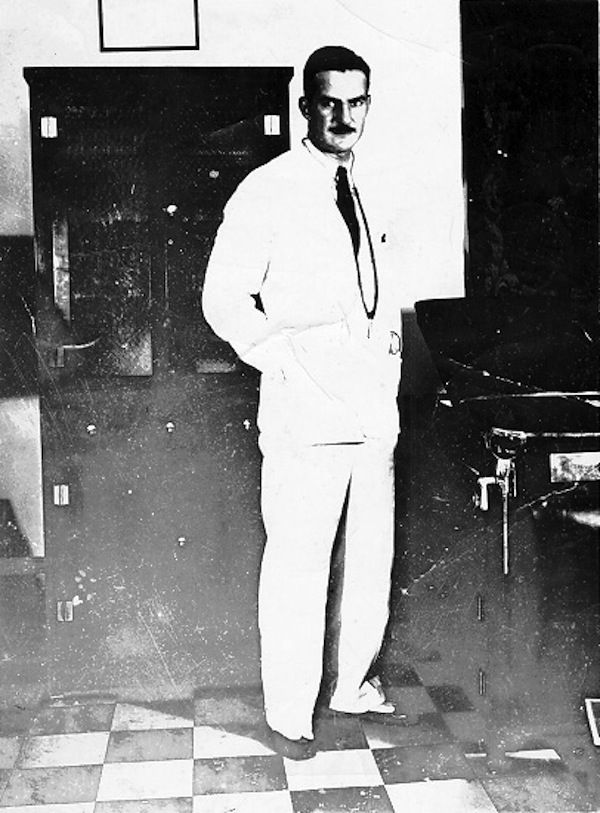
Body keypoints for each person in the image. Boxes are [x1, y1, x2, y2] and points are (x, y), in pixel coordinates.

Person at [202, 45, 402, 759]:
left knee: (370, 559)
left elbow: (374, 295)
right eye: (329, 102)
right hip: (306, 409)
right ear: (306, 107)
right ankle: (289, 714)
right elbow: (222, 299)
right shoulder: (269, 188)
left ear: (368, 105)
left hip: (371, 409)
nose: (344, 116)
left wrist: (387, 365)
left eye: (357, 101)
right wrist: (281, 361)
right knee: (299, 564)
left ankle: (351, 685)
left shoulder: (367, 187)